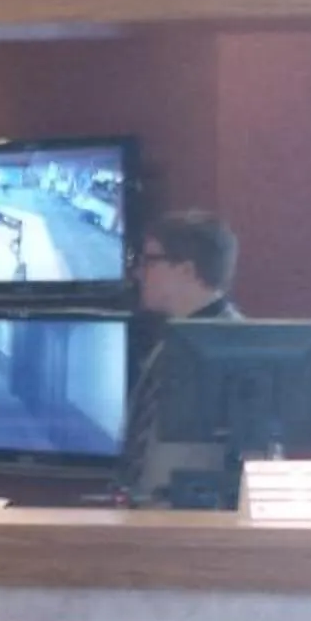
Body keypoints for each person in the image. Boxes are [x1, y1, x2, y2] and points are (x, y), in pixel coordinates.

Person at [120, 209, 243, 503]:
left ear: (187, 270)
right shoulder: (171, 343)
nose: (138, 273)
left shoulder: (240, 350)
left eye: (149, 261)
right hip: (148, 522)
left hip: (197, 534)